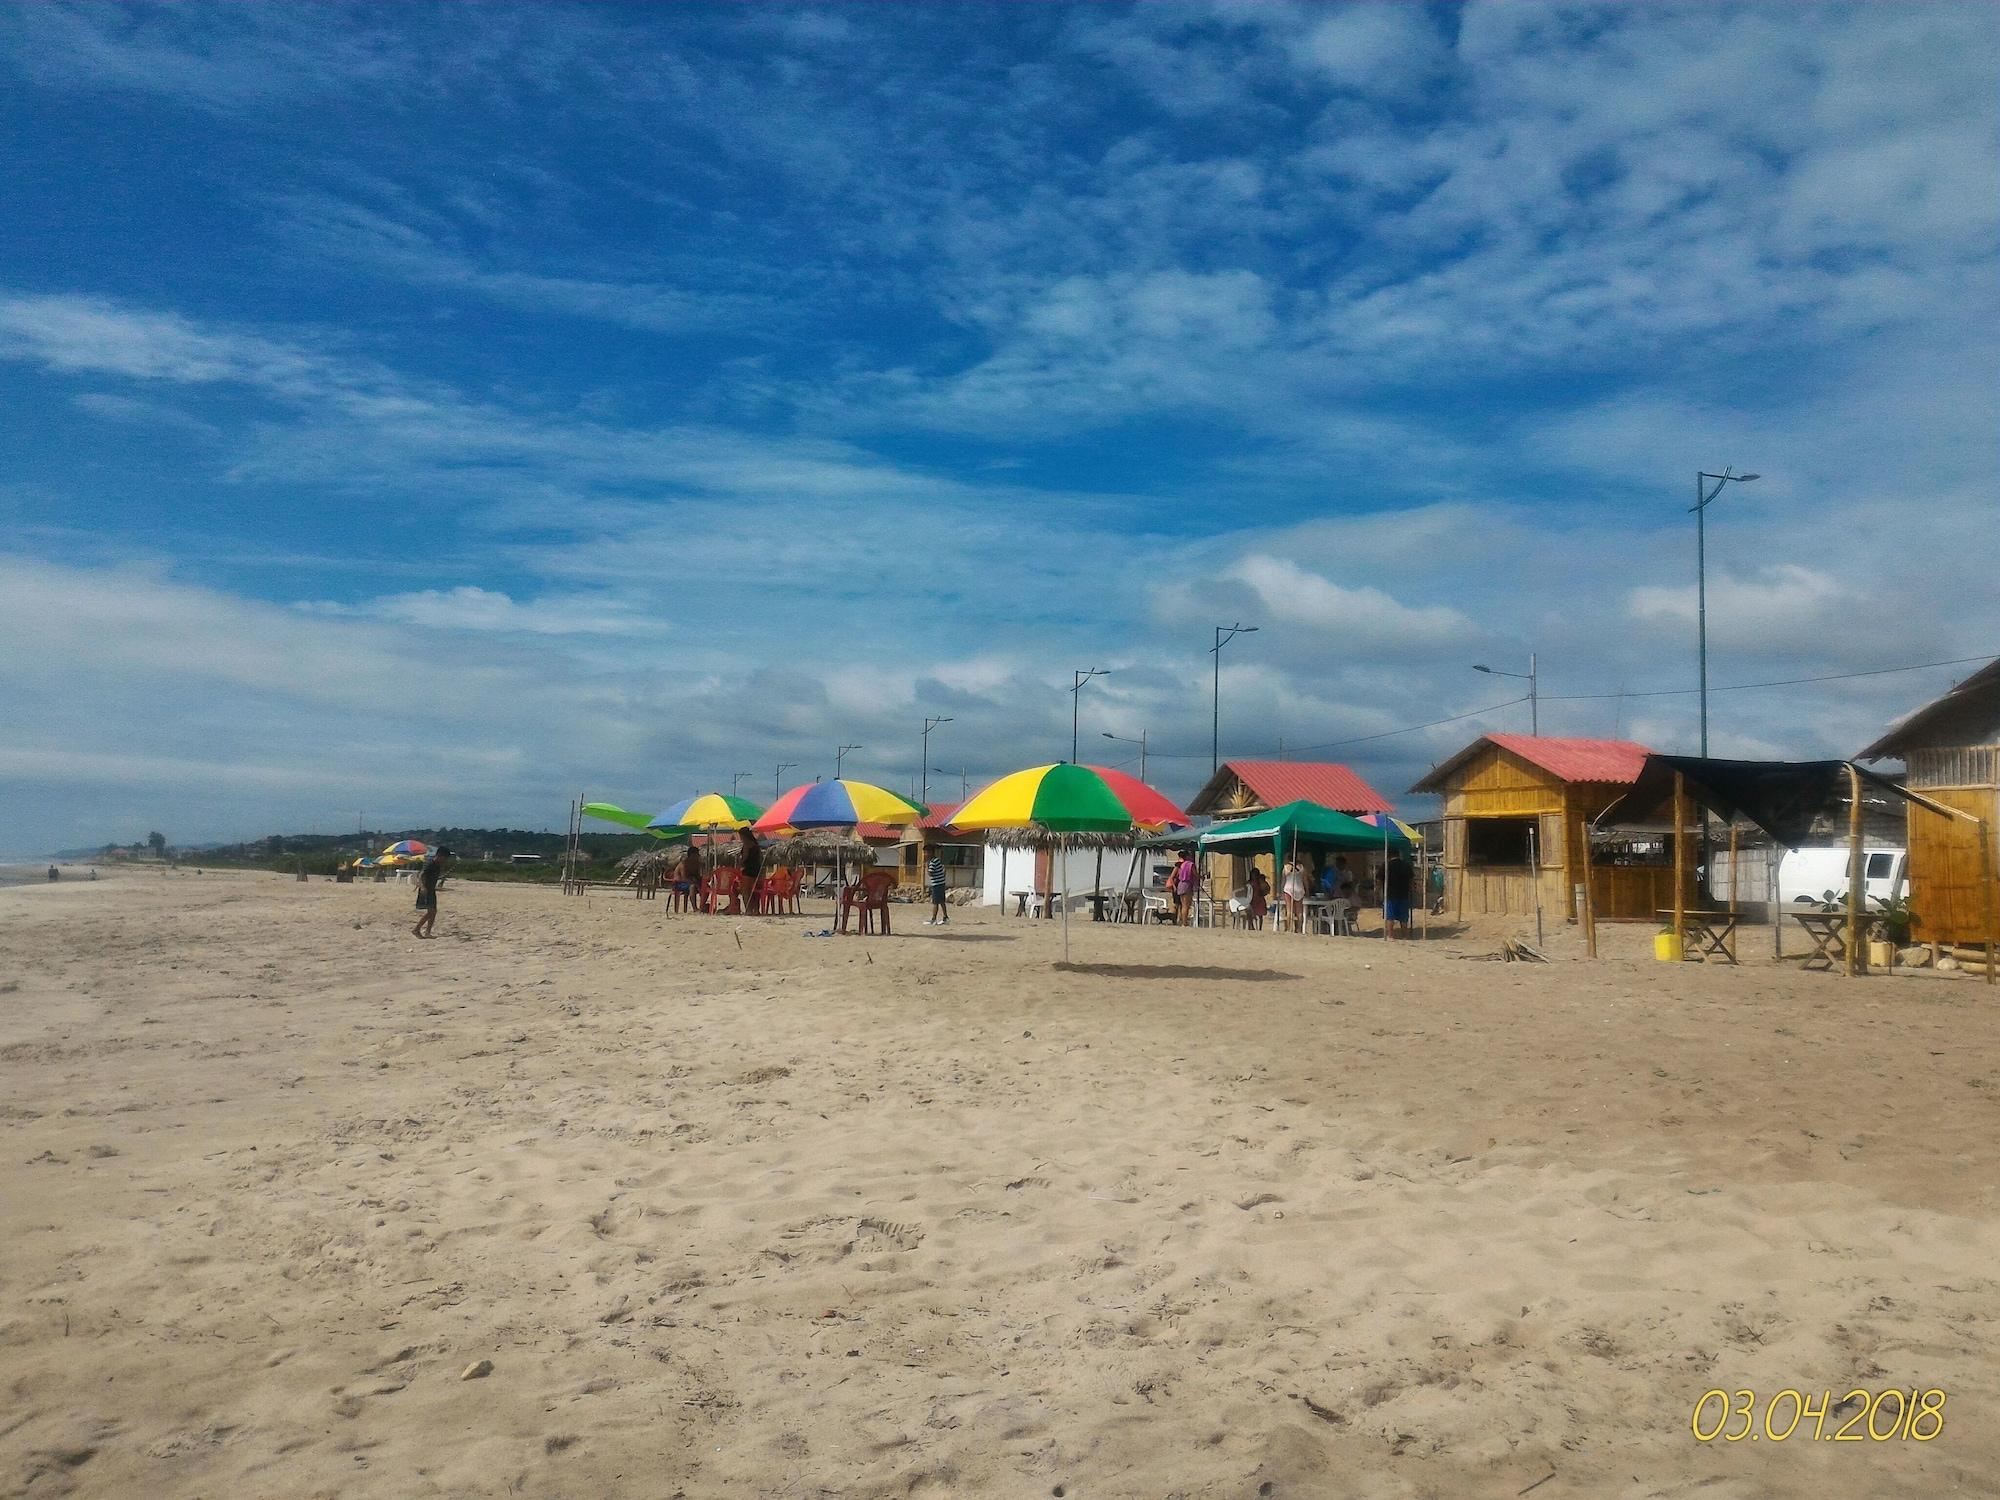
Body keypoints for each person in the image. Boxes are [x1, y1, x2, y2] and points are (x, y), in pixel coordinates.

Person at [411, 846, 452, 938]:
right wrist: (422, 887)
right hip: (426, 890)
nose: (445, 861)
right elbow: (420, 875)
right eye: (445, 858)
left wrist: (443, 877)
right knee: (431, 912)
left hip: (431, 890)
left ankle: (427, 932)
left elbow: (432, 877)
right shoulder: (430, 864)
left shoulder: (437, 865)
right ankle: (416, 929)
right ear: (440, 855)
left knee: (433, 912)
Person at [1383, 848, 1413, 939]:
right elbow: (1411, 880)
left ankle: (1390, 935)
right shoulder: (1406, 865)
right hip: (1404, 894)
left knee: (1390, 916)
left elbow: (1379, 879)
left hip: (1390, 894)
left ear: (1388, 856)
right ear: (1398, 855)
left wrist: (1377, 890)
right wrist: (1411, 889)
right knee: (1403, 917)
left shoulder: (1386, 866)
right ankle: (1405, 935)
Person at [736, 828, 763, 914]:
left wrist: (739, 862)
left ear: (744, 835)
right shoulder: (756, 845)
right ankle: (756, 910)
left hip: (748, 870)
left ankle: (748, 910)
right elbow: (760, 858)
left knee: (746, 891)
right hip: (756, 870)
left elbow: (744, 858)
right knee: (755, 892)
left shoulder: (746, 845)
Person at [1281, 857, 1306, 932]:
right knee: (1299, 911)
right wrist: (1307, 890)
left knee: (1289, 910)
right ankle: (1299, 928)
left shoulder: (1286, 867)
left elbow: (1283, 880)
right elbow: (1304, 880)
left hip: (1288, 889)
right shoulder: (1301, 867)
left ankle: (1289, 928)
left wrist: (1281, 890)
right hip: (1299, 888)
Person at [1172, 850, 1197, 925]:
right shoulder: (1190, 864)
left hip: (1180, 885)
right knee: (1186, 905)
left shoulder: (1180, 865)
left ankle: (1182, 921)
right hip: (1186, 885)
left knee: (1182, 905)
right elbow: (1195, 874)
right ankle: (1184, 922)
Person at [924, 849, 948, 925]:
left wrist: (926, 866)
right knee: (941, 901)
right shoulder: (937, 860)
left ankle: (934, 919)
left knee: (935, 902)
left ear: (930, 852)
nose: (925, 854)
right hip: (941, 883)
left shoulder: (933, 862)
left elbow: (930, 873)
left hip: (937, 884)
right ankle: (945, 917)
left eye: (926, 852)